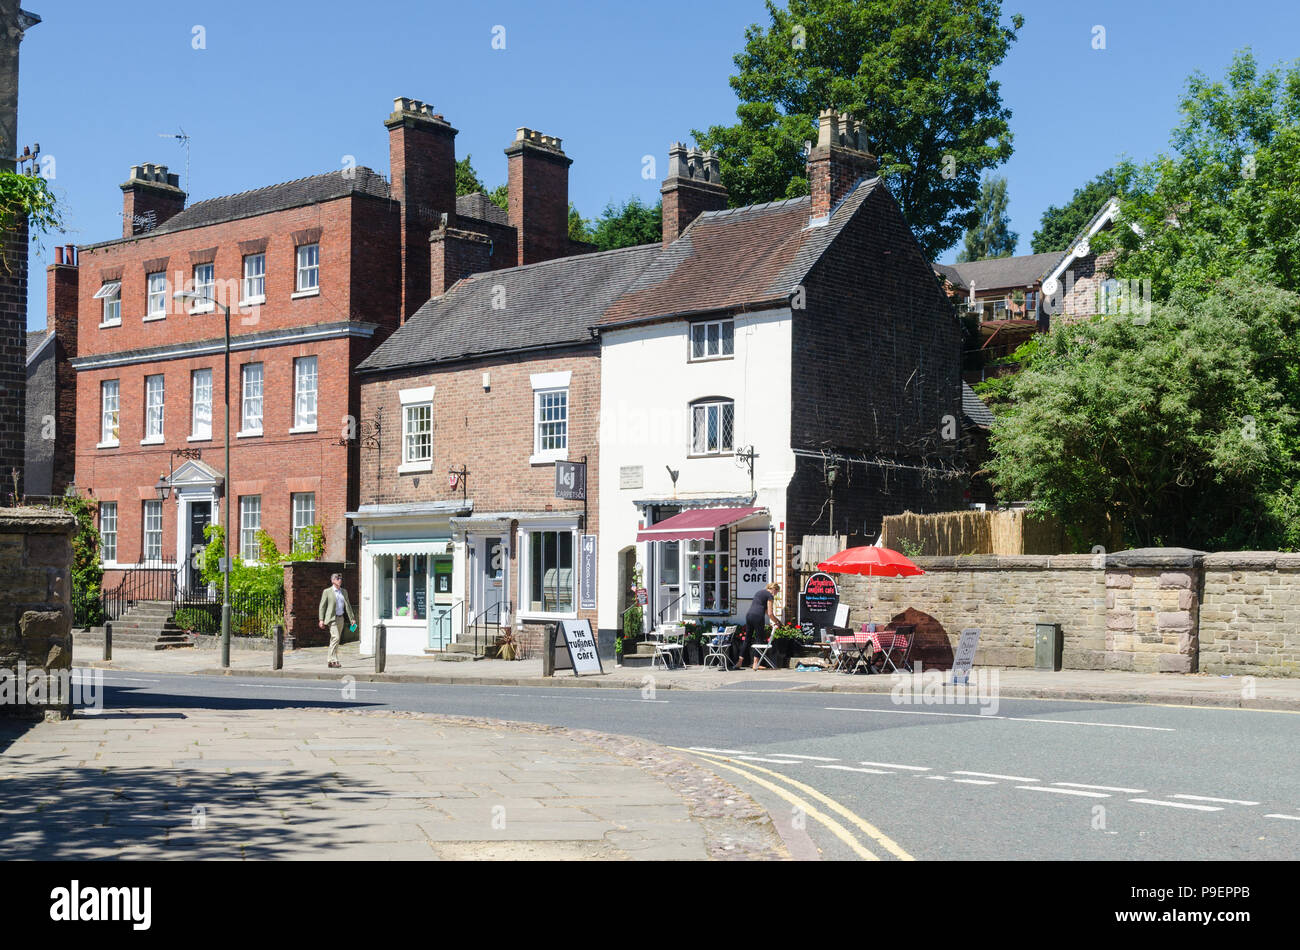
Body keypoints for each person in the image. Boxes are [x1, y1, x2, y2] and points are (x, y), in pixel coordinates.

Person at [736, 582, 781, 670]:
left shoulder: (759, 592)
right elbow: (770, 613)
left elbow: (762, 608)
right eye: (776, 592)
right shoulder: (769, 595)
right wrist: (777, 622)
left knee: (747, 639)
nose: (775, 595)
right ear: (774, 589)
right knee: (759, 639)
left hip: (749, 615)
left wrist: (771, 622)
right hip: (758, 617)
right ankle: (755, 664)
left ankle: (739, 662)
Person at [318, 573, 356, 669]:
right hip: (332, 618)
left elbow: (348, 605)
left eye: (340, 578)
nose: (340, 580)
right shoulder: (327, 591)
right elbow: (322, 606)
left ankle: (330, 661)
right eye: (337, 578)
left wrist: (352, 618)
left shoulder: (344, 591)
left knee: (335, 640)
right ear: (332, 580)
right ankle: (334, 660)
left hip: (341, 618)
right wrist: (321, 619)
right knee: (336, 637)